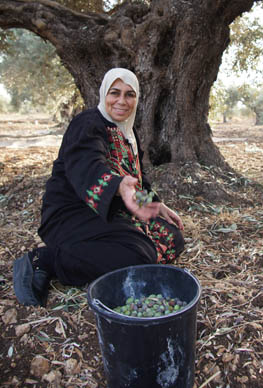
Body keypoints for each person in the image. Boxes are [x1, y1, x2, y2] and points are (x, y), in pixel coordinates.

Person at [13, 68, 184, 307]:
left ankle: (102, 254)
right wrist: (118, 185)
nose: (122, 101)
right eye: (115, 93)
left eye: (129, 94)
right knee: (138, 254)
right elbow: (88, 167)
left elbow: (137, 178)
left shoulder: (128, 132)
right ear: (104, 94)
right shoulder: (88, 124)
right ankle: (46, 259)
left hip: (110, 212)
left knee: (171, 235)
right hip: (72, 215)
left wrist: (155, 204)